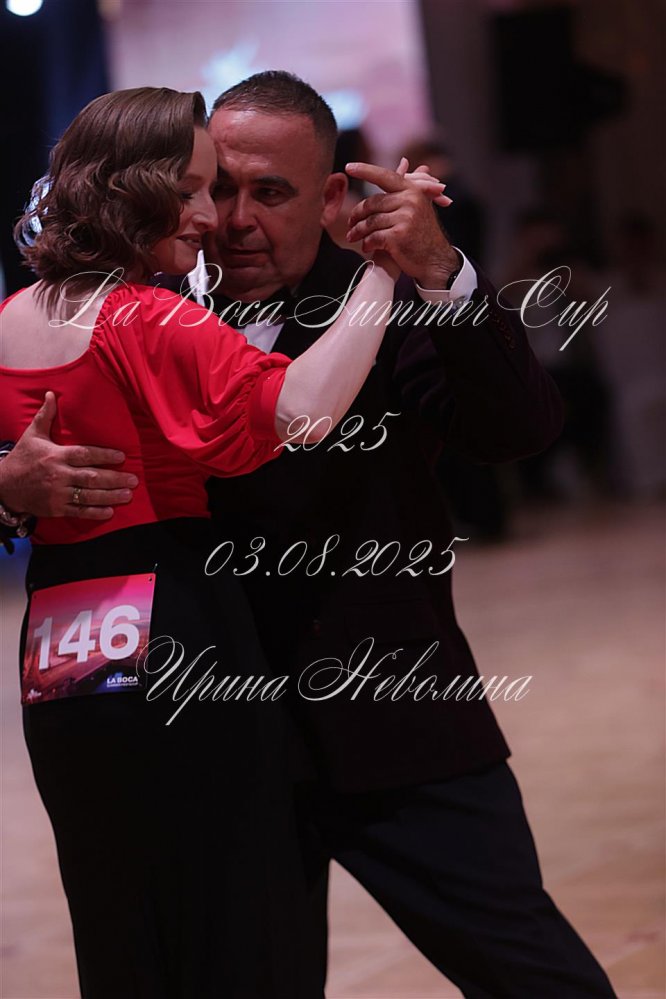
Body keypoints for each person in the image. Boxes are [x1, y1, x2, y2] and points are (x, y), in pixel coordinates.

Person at [1, 72, 618, 997]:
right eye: (216, 188)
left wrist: (439, 271)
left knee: (535, 975)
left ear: (331, 196)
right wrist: (7, 484)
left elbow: (519, 430)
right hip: (210, 740)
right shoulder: (145, 296)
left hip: (391, 721)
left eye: (270, 192)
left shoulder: (392, 304)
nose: (231, 219)